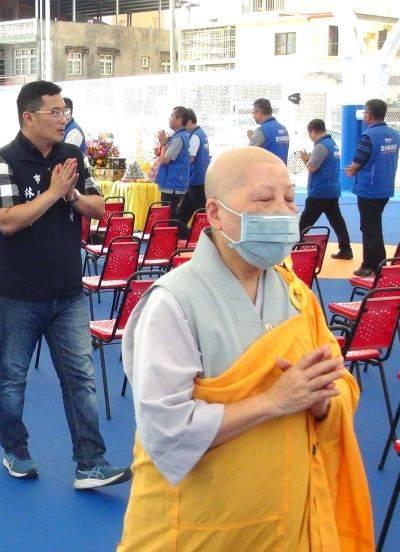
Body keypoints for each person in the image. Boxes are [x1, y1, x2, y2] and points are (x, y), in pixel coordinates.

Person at [117, 146, 373, 550]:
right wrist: (275, 401)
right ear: (216, 213)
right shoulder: (173, 303)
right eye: (263, 199)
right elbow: (167, 433)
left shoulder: (296, 295)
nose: (284, 212)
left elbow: (338, 381)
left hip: (285, 525)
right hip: (198, 530)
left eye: (289, 198)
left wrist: (323, 401)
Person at [0, 80, 131, 488]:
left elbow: (99, 208)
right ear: (29, 117)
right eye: (55, 112)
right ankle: (15, 449)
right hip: (21, 293)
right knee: (13, 378)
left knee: (80, 378)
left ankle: (90, 462)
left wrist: (70, 197)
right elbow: (8, 222)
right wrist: (52, 193)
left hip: (68, 292)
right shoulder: (2, 162)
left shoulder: (71, 156)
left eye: (64, 111)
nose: (63, 118)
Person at [345, 98, 399, 277]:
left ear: (369, 114)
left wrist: (352, 170)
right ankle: (378, 262)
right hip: (384, 187)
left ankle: (371, 265)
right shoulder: (393, 134)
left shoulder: (368, 136)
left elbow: (358, 161)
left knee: (369, 227)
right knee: (374, 226)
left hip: (369, 188)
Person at [298, 118, 352, 260]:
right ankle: (346, 249)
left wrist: (305, 159)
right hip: (332, 189)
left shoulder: (321, 146)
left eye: (310, 133)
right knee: (337, 220)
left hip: (320, 191)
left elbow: (312, 167)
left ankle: (297, 249)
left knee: (305, 221)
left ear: (313, 131)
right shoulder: (332, 144)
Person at [175, 108, 210, 235]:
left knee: (201, 214)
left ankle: (201, 237)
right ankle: (182, 236)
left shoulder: (195, 136)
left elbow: (189, 158)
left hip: (196, 180)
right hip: (199, 179)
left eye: (184, 124)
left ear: (189, 121)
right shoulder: (202, 133)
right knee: (182, 214)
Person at [154, 106, 191, 208]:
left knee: (169, 218)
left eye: (171, 116)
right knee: (171, 217)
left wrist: (163, 144)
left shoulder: (179, 138)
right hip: (173, 183)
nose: (169, 118)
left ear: (179, 120)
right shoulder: (177, 136)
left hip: (173, 185)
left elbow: (165, 160)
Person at [248, 97, 290, 164]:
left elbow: (248, 154)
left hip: (268, 173)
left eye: (253, 113)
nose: (253, 116)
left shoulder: (261, 131)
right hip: (282, 172)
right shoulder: (283, 129)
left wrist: (252, 138)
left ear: (259, 112)